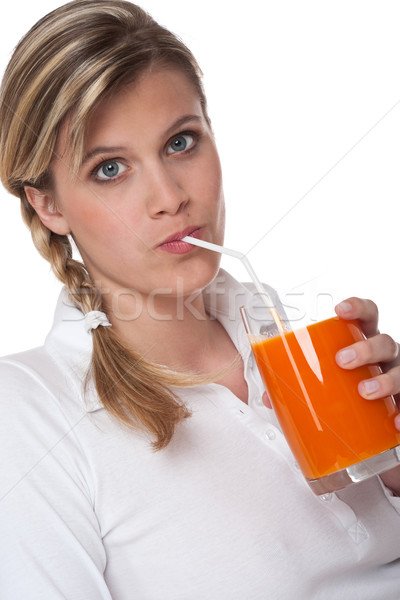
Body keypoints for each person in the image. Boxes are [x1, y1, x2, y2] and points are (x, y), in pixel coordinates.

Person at [0, 1, 399, 598]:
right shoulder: (30, 415)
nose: (169, 197)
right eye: (110, 169)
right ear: (48, 206)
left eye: (181, 142)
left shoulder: (288, 340)